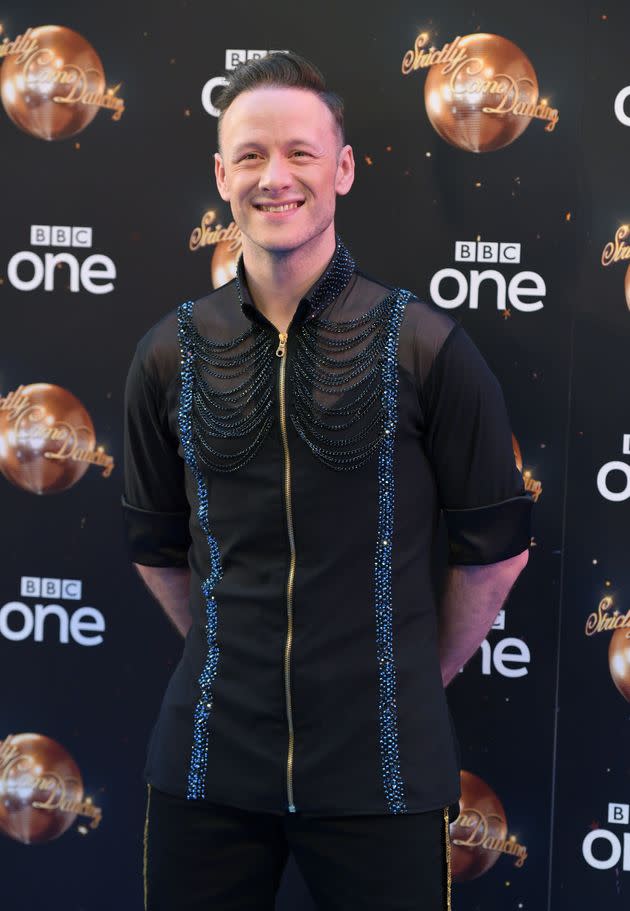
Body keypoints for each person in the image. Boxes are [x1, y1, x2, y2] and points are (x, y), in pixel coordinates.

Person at [123, 51, 531, 911]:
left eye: (301, 153)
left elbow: (495, 550)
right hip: (206, 767)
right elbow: (156, 545)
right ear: (221, 176)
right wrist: (233, 654)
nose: (276, 178)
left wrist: (405, 674)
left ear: (342, 168)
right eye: (251, 155)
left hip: (382, 768)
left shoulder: (426, 346)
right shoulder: (168, 352)